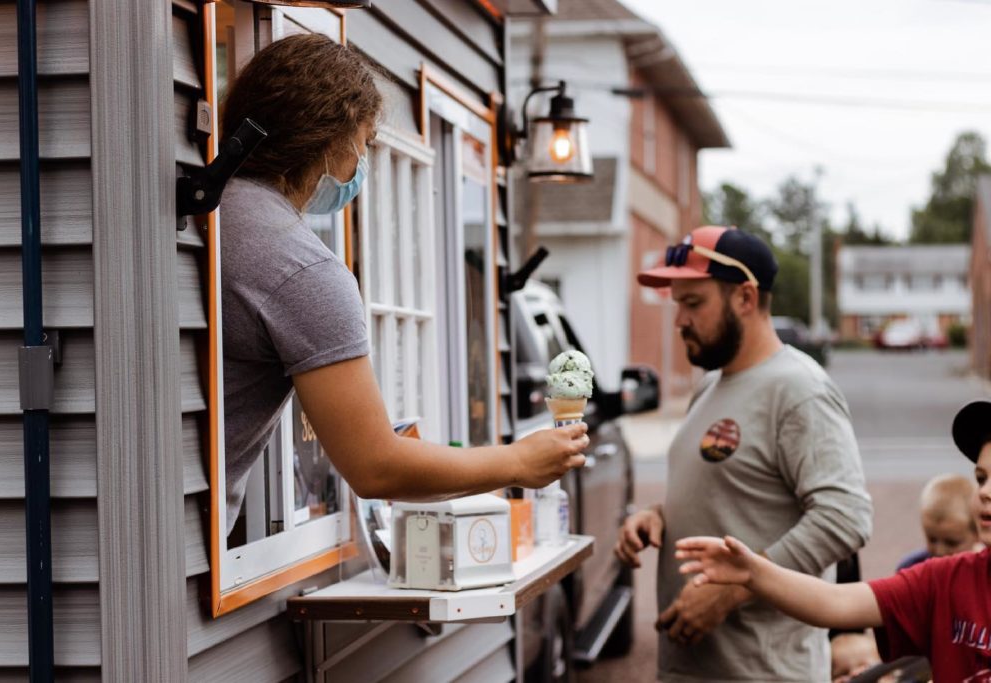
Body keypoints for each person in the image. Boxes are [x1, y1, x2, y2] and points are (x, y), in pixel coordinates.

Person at [218, 34, 588, 533]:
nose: (360, 164)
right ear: (332, 136)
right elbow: (376, 466)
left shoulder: (214, 215)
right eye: (364, 143)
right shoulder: (301, 268)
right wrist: (518, 462)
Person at [614, 226, 873, 681]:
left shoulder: (799, 390)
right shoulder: (712, 385)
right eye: (677, 304)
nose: (679, 321)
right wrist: (660, 515)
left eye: (693, 303)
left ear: (746, 299)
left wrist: (734, 589)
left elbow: (845, 517)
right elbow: (737, 493)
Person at [674, 399, 991, 682]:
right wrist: (752, 572)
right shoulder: (944, 579)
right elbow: (834, 602)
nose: (985, 492)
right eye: (981, 478)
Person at [897, 473, 980, 571]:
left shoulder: (982, 571)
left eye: (951, 543)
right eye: (932, 539)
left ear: (978, 533)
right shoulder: (911, 568)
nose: (939, 551)